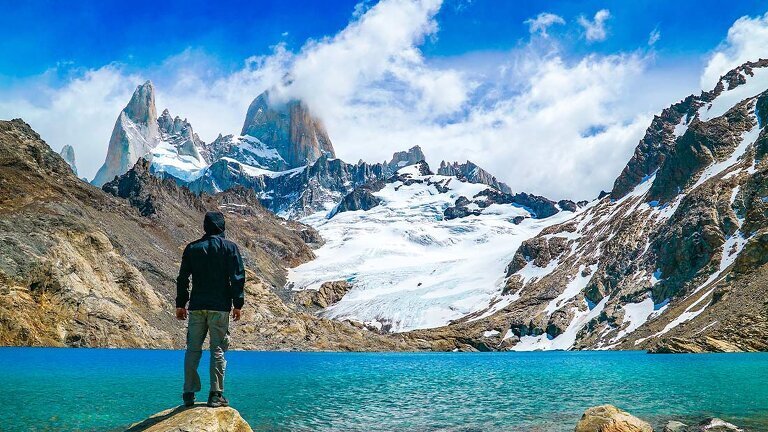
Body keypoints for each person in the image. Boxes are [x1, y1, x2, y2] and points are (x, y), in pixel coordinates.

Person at [175, 211, 245, 408]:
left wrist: (181, 304)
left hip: (196, 307)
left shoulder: (192, 248)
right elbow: (237, 278)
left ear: (205, 227)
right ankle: (215, 395)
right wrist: (237, 304)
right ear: (222, 227)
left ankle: (188, 393)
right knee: (218, 349)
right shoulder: (230, 248)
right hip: (220, 308)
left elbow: (183, 278)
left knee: (193, 349)